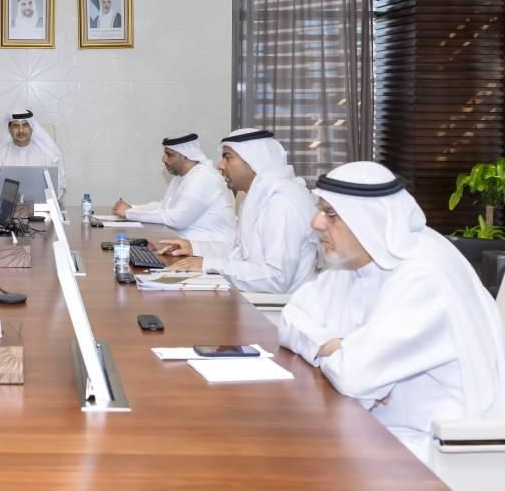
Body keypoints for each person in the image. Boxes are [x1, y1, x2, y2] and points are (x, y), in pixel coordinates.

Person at [278, 161, 505, 463]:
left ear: (368, 220)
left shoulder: (422, 274)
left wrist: (345, 358)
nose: (316, 223)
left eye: (331, 213)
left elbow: (353, 377)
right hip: (374, 428)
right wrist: (329, 346)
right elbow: (291, 318)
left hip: (437, 450)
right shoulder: (352, 263)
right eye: (320, 210)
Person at [158, 128, 317, 294]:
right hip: (252, 296)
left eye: (227, 157)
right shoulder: (257, 197)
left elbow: (277, 279)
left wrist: (208, 264)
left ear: (254, 160)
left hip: (275, 305)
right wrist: (194, 247)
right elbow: (238, 252)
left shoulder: (281, 203)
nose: (220, 165)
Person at [112, 134, 234, 242]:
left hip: (208, 249)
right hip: (185, 245)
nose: (163, 159)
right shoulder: (181, 176)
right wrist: (132, 208)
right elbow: (164, 206)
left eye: (169, 155)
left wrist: (129, 213)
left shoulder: (203, 177)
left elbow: (175, 219)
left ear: (186, 156)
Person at [0, 109, 66, 196]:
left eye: (25, 125)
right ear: (9, 129)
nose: (21, 130)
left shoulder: (47, 155)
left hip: (42, 204)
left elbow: (59, 186)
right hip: (6, 204)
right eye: (16, 126)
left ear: (32, 127)